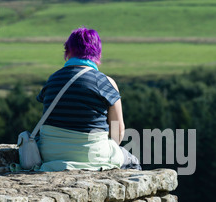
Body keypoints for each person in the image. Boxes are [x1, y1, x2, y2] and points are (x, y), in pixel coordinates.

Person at [35, 27, 141, 172]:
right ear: (98, 53)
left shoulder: (53, 79)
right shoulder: (105, 82)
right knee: (133, 162)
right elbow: (118, 133)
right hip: (93, 155)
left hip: (50, 155)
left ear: (68, 50)